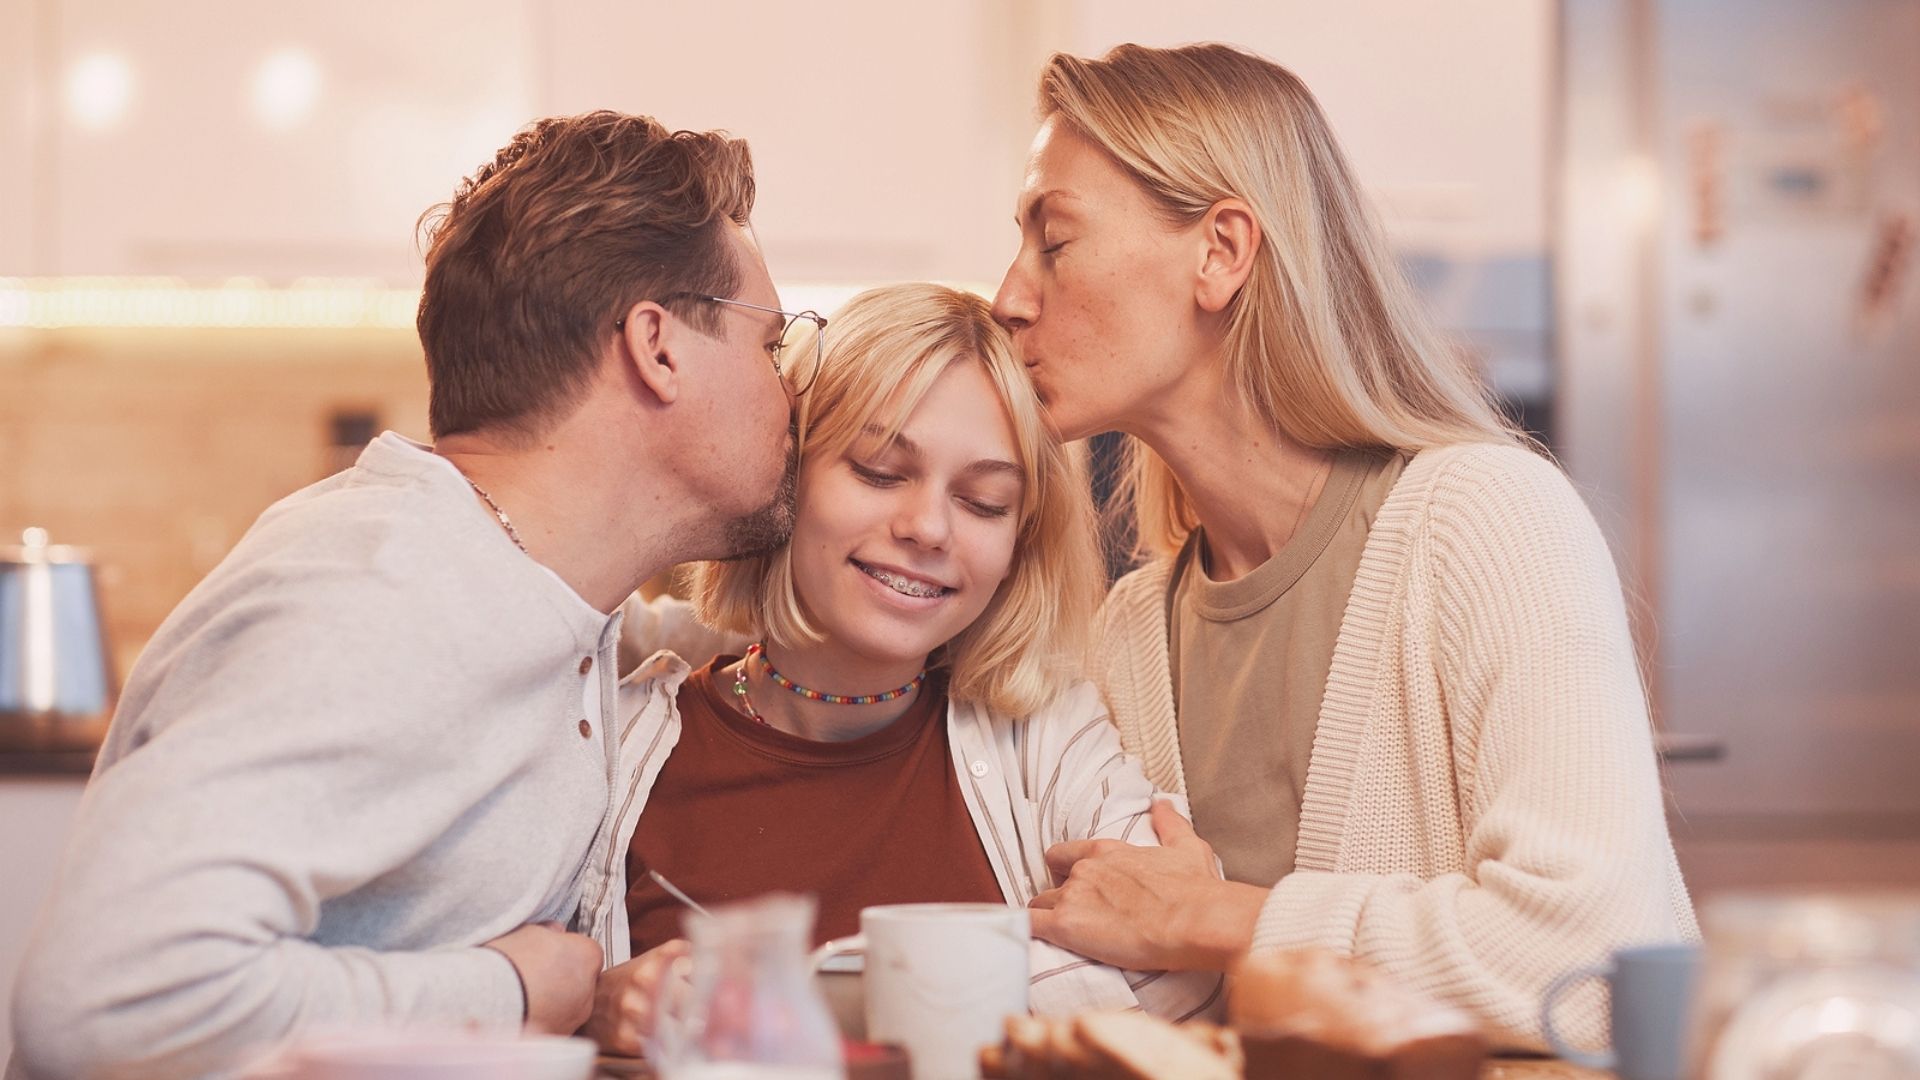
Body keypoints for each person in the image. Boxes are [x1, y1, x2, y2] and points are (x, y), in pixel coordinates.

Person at [8, 111, 801, 1078]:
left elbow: (707, 643)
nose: (790, 393)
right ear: (658, 346)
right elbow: (104, 1003)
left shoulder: (520, 582)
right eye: (771, 345)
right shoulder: (377, 603)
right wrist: (513, 993)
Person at [988, 43, 1698, 1050]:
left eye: (1053, 241)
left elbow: (1591, 966)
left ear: (1221, 252)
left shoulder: (1489, 521)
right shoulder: (1129, 632)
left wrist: (1217, 919)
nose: (1010, 296)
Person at [581, 283, 1221, 1057]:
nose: (927, 528)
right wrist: (588, 1007)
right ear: (784, 473)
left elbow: (1181, 975)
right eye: (881, 471)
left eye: (983, 502)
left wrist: (803, 1001)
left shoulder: (1049, 739)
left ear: (1019, 546)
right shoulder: (612, 749)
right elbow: (490, 985)